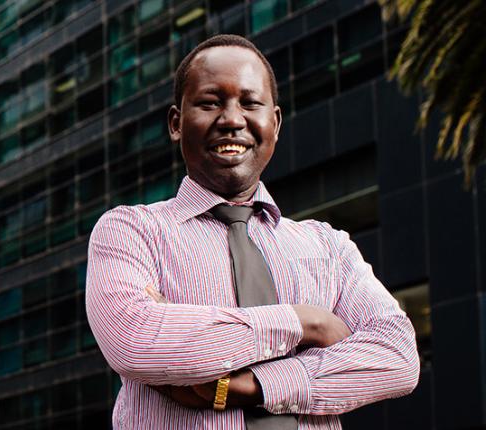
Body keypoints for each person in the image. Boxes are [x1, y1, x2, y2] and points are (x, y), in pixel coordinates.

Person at [85, 34, 419, 429]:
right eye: (210, 103)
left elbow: (398, 357)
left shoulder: (329, 246)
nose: (231, 119)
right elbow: (136, 340)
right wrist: (304, 323)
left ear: (274, 124)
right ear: (176, 124)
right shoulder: (131, 231)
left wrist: (252, 385)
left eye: (250, 102)